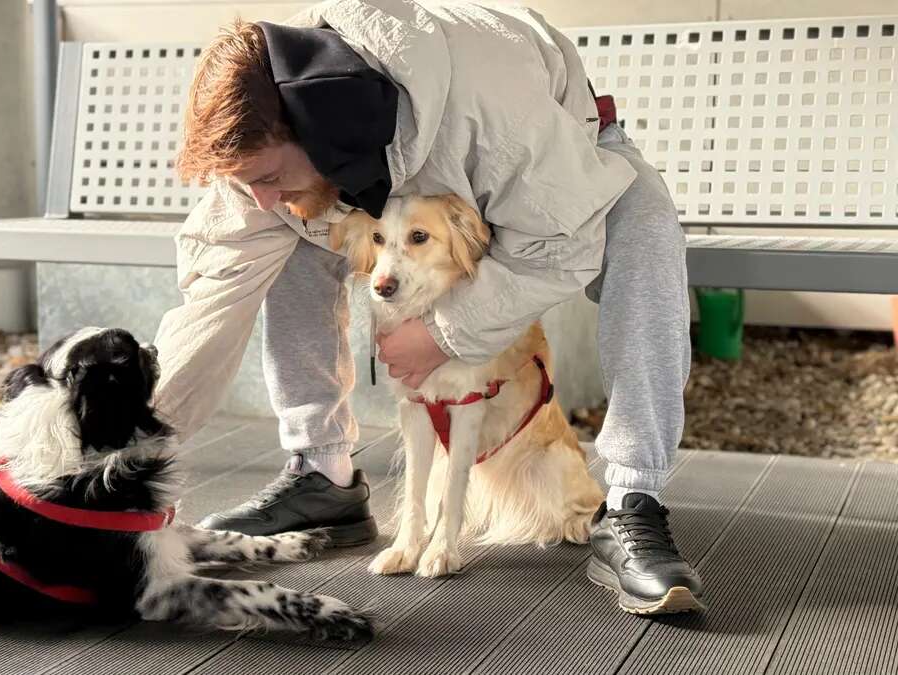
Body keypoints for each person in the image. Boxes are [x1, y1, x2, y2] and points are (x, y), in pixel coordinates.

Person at [151, 0, 703, 614]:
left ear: (317, 134)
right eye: (247, 181)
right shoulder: (265, 131)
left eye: (268, 175)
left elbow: (557, 248)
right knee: (285, 229)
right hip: (399, 168)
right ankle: (322, 473)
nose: (259, 194)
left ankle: (632, 501)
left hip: (557, 153)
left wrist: (444, 337)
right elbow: (212, 301)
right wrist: (126, 446)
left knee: (648, 235)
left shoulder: (497, 115)